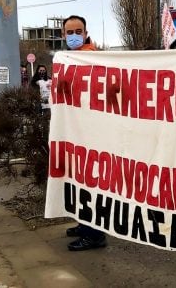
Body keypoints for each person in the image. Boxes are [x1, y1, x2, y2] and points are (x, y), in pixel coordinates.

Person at [59, 15, 106, 252]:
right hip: (76, 130)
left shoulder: (92, 57)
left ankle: (94, 235)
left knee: (89, 183)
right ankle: (84, 224)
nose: (74, 35)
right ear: (63, 35)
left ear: (86, 33)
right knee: (78, 182)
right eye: (70, 32)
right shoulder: (69, 58)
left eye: (79, 31)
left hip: (90, 132)